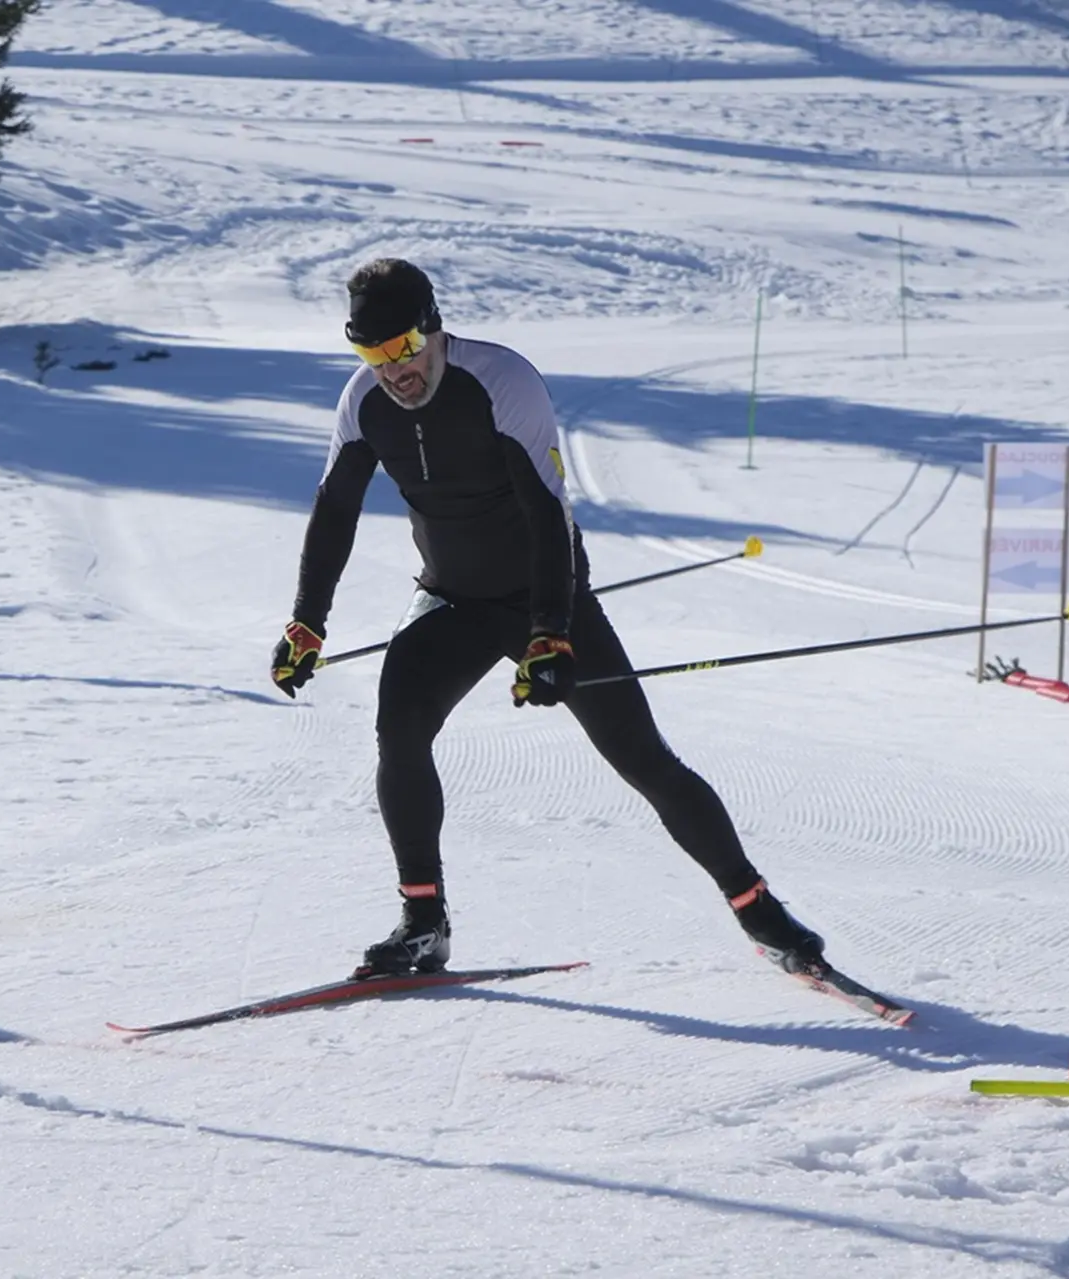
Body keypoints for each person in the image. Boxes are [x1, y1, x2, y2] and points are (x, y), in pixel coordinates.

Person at [271, 258, 824, 980]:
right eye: (370, 354)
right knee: (397, 730)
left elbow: (545, 514)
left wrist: (549, 631)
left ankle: (758, 909)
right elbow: (334, 510)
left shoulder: (500, 382)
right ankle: (422, 923)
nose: (392, 371)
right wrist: (306, 621)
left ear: (431, 327)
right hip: (449, 600)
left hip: (544, 590)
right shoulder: (361, 403)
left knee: (641, 758)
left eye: (402, 348)